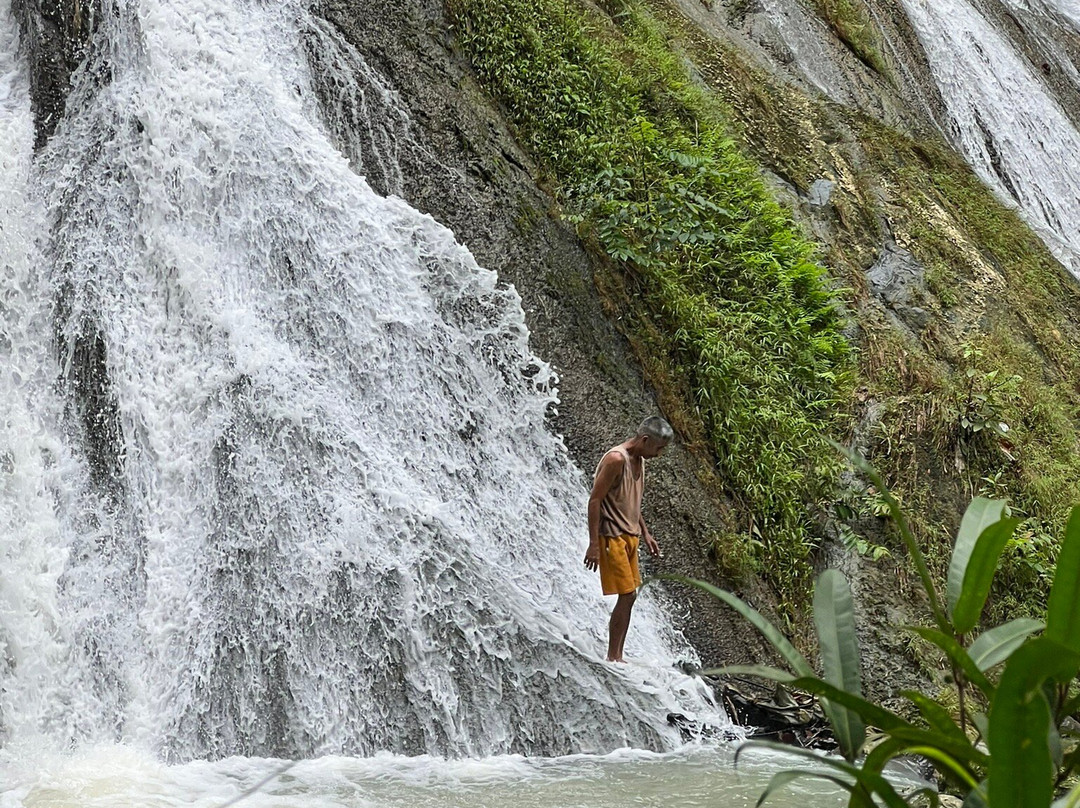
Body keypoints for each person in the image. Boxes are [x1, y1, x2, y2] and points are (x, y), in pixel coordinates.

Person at [584, 415, 673, 662]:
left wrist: (645, 532)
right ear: (645, 440)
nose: (659, 454)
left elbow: (630, 499)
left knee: (631, 595)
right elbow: (595, 500)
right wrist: (594, 544)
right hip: (612, 536)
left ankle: (618, 653)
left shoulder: (639, 459)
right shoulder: (616, 460)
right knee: (628, 595)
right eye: (658, 448)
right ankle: (613, 655)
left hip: (630, 536)